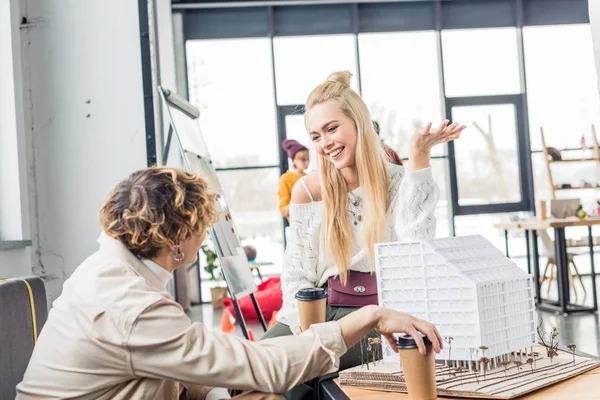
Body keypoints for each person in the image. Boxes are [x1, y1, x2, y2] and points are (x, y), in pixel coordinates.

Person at [16, 166, 443, 399]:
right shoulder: (130, 307)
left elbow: (177, 367)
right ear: (177, 242)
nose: (208, 236)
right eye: (203, 227)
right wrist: (371, 315)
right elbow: (271, 369)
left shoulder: (111, 270)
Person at [262, 71, 464, 375]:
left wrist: (419, 157)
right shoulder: (307, 190)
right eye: (316, 136)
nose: (325, 143)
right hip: (318, 312)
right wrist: (305, 328)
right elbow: (296, 274)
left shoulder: (399, 183)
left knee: (286, 376)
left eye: (332, 129)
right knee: (256, 369)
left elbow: (417, 249)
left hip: (380, 318)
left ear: (360, 124)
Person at [278, 139, 310, 221]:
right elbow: (284, 210)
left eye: (308, 159)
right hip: (297, 223)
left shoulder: (309, 177)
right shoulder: (285, 178)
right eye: (303, 159)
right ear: (294, 160)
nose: (306, 162)